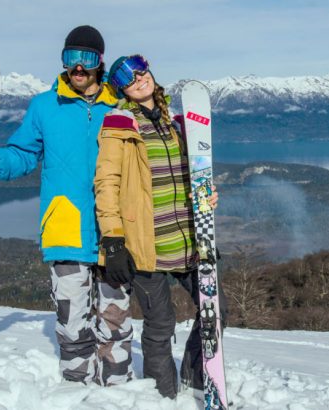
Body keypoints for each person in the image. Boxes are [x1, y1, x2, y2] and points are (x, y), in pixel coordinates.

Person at [0, 26, 133, 386]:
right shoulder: (44, 106)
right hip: (65, 229)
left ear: (100, 63)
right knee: (71, 322)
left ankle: (117, 391)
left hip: (114, 230)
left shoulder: (120, 105)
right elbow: (21, 157)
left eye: (87, 59)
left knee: (116, 318)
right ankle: (76, 390)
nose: (78, 68)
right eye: (71, 58)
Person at [94, 54, 222, 399]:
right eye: (127, 78)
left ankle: (195, 376)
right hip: (145, 244)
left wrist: (206, 205)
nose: (138, 79)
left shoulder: (178, 123)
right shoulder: (118, 125)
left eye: (140, 70)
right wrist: (114, 240)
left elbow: (194, 176)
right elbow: (106, 184)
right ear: (120, 89)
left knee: (217, 309)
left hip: (188, 241)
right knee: (160, 323)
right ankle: (162, 396)